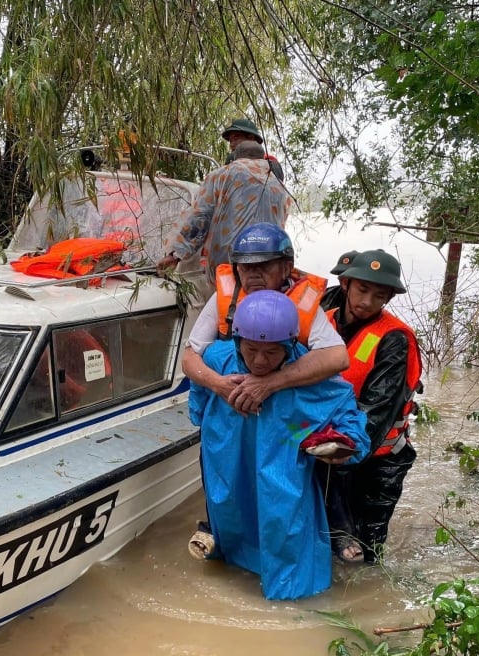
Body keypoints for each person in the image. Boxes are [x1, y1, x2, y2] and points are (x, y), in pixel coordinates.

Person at [188, 290, 370, 600]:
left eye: (271, 353)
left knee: (284, 539)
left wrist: (341, 445)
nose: (259, 361)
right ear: (237, 342)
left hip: (281, 480)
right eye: (250, 349)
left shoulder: (310, 377)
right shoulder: (219, 362)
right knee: (232, 533)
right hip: (230, 469)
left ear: (289, 346)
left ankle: (292, 610)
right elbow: (198, 405)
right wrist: (218, 390)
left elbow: (349, 422)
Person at [320, 249, 424, 564]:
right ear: (346, 284)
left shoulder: (394, 340)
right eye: (362, 290)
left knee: (366, 551)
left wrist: (341, 451)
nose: (366, 301)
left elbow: (375, 412)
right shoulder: (323, 320)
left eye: (378, 295)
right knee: (324, 537)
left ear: (388, 299)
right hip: (327, 452)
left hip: (376, 462)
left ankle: (366, 602)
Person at [181, 222, 347, 417]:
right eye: (246, 267)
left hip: (282, 415)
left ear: (287, 268)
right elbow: (189, 358)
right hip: (229, 412)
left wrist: (270, 382)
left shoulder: (302, 303)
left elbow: (338, 357)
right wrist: (219, 385)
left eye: (263, 266)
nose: (253, 275)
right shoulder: (225, 297)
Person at [156, 141, 289, 282]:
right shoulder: (278, 184)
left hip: (230, 267)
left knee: (227, 300)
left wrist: (175, 254)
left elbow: (200, 216)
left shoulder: (222, 175)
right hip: (270, 267)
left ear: (235, 157)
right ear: (262, 157)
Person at [221, 117, 286, 182]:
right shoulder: (230, 162)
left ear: (251, 138)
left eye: (236, 139)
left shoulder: (270, 163)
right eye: (230, 141)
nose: (232, 144)